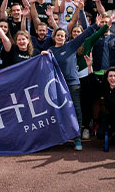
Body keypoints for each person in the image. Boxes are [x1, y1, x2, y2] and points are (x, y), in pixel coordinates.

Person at [46, 20, 109, 151]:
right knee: (58, 110)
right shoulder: (50, 51)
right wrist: (42, 55)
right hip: (57, 85)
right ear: (54, 37)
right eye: (58, 35)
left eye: (62, 36)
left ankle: (77, 138)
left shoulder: (71, 45)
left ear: (65, 38)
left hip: (73, 84)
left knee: (76, 110)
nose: (60, 37)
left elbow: (84, 35)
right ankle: (60, 136)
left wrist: (95, 25)